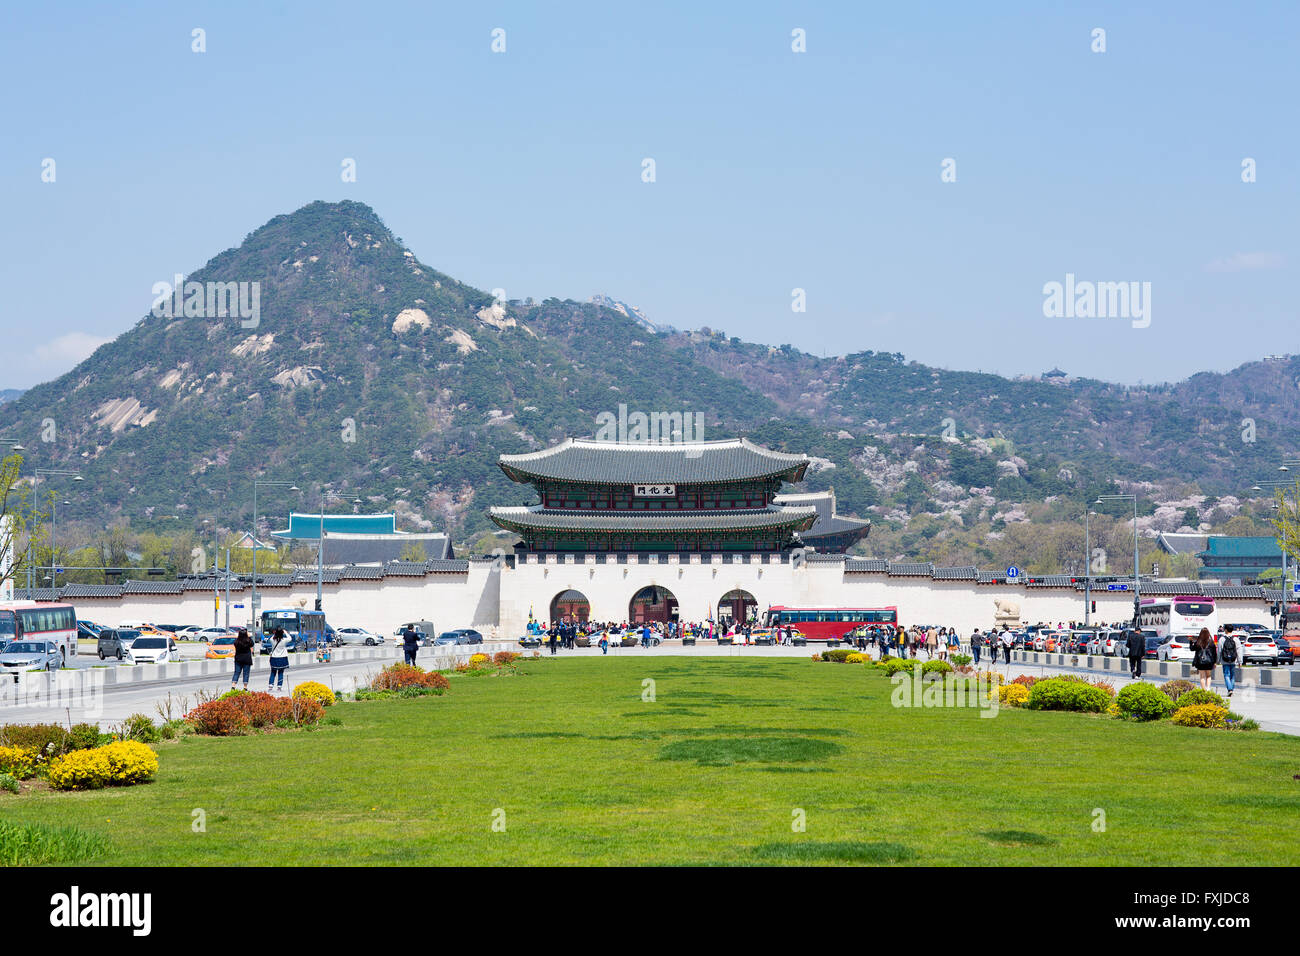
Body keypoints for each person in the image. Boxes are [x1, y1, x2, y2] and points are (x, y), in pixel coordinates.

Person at [1218, 624, 1240, 698]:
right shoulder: (1236, 639)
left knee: (1226, 675)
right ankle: (1232, 689)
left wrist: (1218, 660)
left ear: (1226, 630)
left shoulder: (1222, 639)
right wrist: (1240, 661)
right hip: (1234, 660)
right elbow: (1239, 651)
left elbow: (1219, 651)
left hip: (1225, 660)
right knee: (1233, 675)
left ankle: (1229, 689)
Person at [267, 627, 290, 693]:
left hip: (274, 657)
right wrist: (285, 632)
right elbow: (290, 638)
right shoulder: (284, 640)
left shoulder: (272, 640)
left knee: (273, 672)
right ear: (282, 633)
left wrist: (275, 633)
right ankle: (279, 687)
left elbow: (272, 637)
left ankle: (270, 686)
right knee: (280, 672)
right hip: (282, 657)